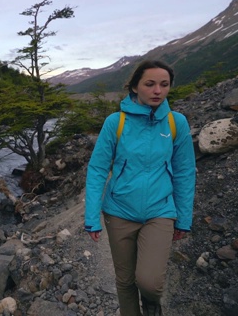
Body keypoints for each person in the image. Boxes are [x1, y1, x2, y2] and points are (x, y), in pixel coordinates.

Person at [84, 60, 196, 316]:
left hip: (160, 211)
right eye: (150, 84)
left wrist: (184, 218)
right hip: (119, 211)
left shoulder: (176, 123)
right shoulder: (116, 122)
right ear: (135, 87)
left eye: (164, 85)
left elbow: (185, 172)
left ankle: (151, 302)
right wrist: (92, 217)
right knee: (124, 281)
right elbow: (98, 169)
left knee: (150, 282)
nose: (158, 90)